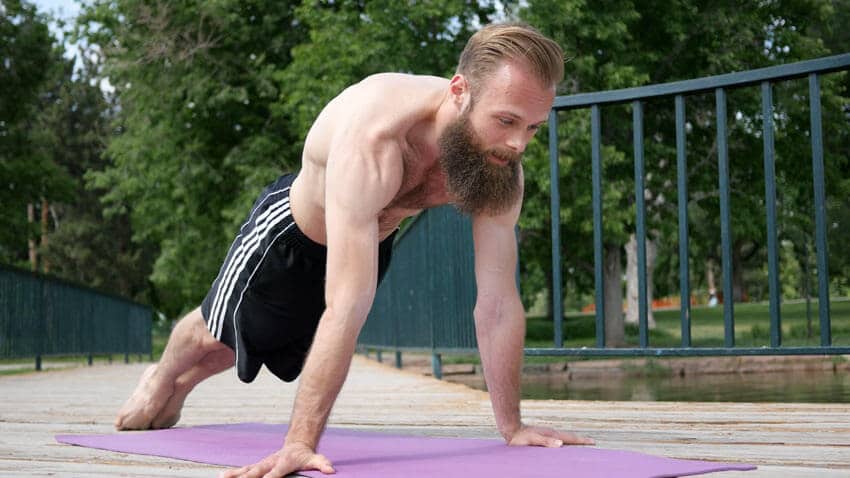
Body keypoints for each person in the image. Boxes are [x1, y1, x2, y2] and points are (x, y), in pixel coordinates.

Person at [114, 22, 595, 478]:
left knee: (268, 339)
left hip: (371, 238)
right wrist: (300, 443)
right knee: (216, 330)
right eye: (506, 120)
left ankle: (185, 384)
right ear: (459, 91)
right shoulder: (378, 138)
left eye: (533, 127)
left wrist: (512, 428)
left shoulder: (499, 165)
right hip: (290, 234)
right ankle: (162, 377)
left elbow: (497, 302)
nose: (518, 143)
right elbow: (346, 304)